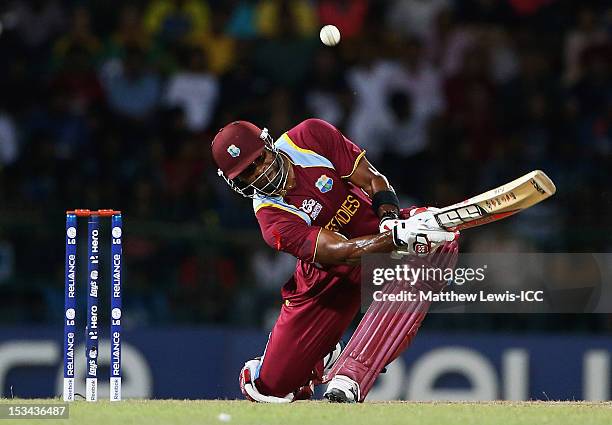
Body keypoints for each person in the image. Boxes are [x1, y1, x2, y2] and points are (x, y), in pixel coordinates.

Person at [211, 118, 458, 402]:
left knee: (439, 239)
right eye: (248, 173)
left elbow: (374, 180)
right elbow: (344, 253)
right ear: (237, 183)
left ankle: (351, 375)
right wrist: (397, 239)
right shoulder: (272, 220)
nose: (260, 173)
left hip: (382, 239)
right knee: (273, 389)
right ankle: (311, 359)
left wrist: (391, 221)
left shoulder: (309, 137)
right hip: (327, 282)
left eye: (260, 160)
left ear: (268, 144)